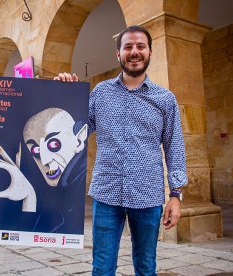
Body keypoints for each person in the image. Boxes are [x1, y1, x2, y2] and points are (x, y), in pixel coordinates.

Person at [55, 25, 188, 275]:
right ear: (118, 54)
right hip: (106, 195)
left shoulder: (165, 99)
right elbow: (75, 130)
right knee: (102, 268)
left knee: (146, 267)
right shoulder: (100, 93)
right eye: (128, 47)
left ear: (150, 52)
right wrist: (63, 94)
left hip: (148, 196)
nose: (134, 52)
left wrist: (176, 195)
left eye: (140, 46)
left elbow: (174, 147)